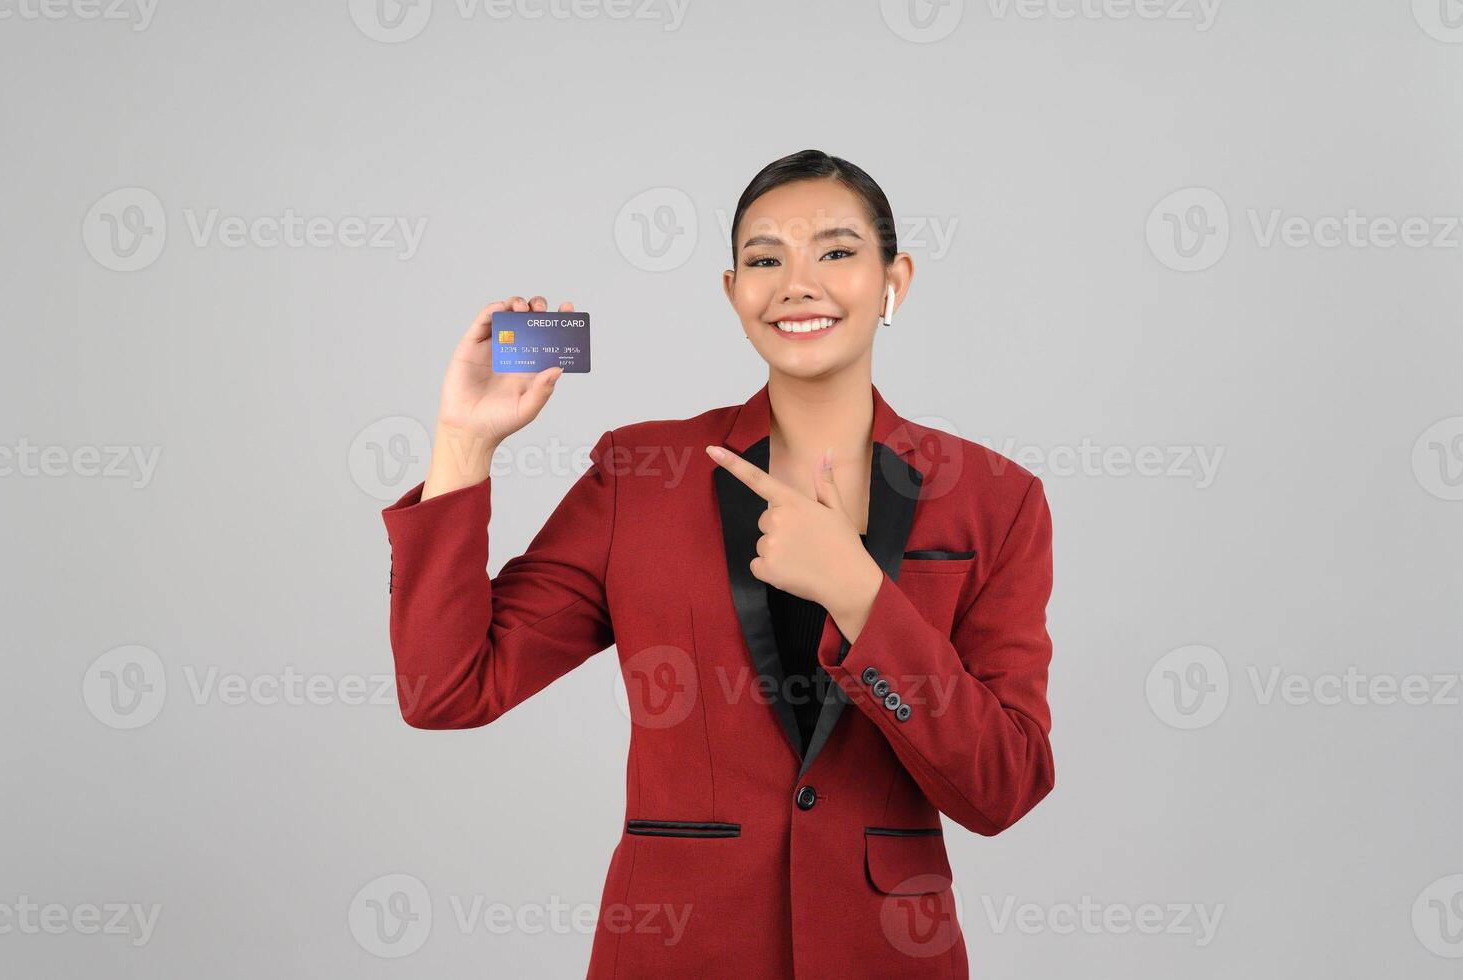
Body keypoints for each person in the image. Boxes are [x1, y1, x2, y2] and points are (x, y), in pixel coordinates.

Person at [382, 149, 1056, 978]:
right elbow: (444, 689)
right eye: (764, 260)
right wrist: (463, 443)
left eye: (837, 253)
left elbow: (1004, 787)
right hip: (679, 949)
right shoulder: (641, 475)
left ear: (895, 280)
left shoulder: (993, 497)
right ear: (732, 290)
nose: (796, 284)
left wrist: (858, 596)